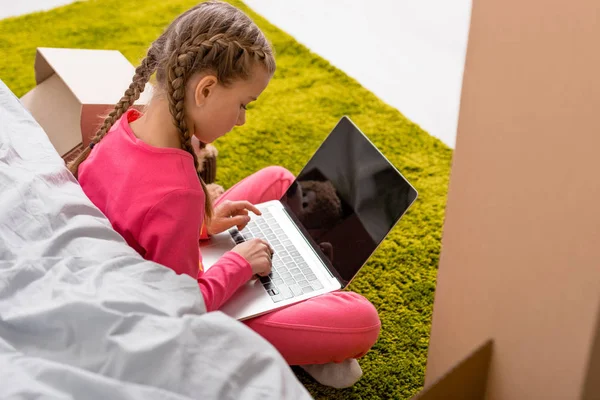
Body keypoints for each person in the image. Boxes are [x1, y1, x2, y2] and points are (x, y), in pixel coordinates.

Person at [69, 1, 380, 389]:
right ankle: (296, 347)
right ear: (206, 89)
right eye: (243, 105)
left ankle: (298, 329)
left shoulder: (126, 123)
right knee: (361, 320)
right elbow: (183, 307)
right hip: (182, 308)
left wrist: (201, 223)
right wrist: (238, 264)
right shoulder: (178, 193)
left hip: (155, 259)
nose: (242, 119)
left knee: (278, 180)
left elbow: (136, 215)